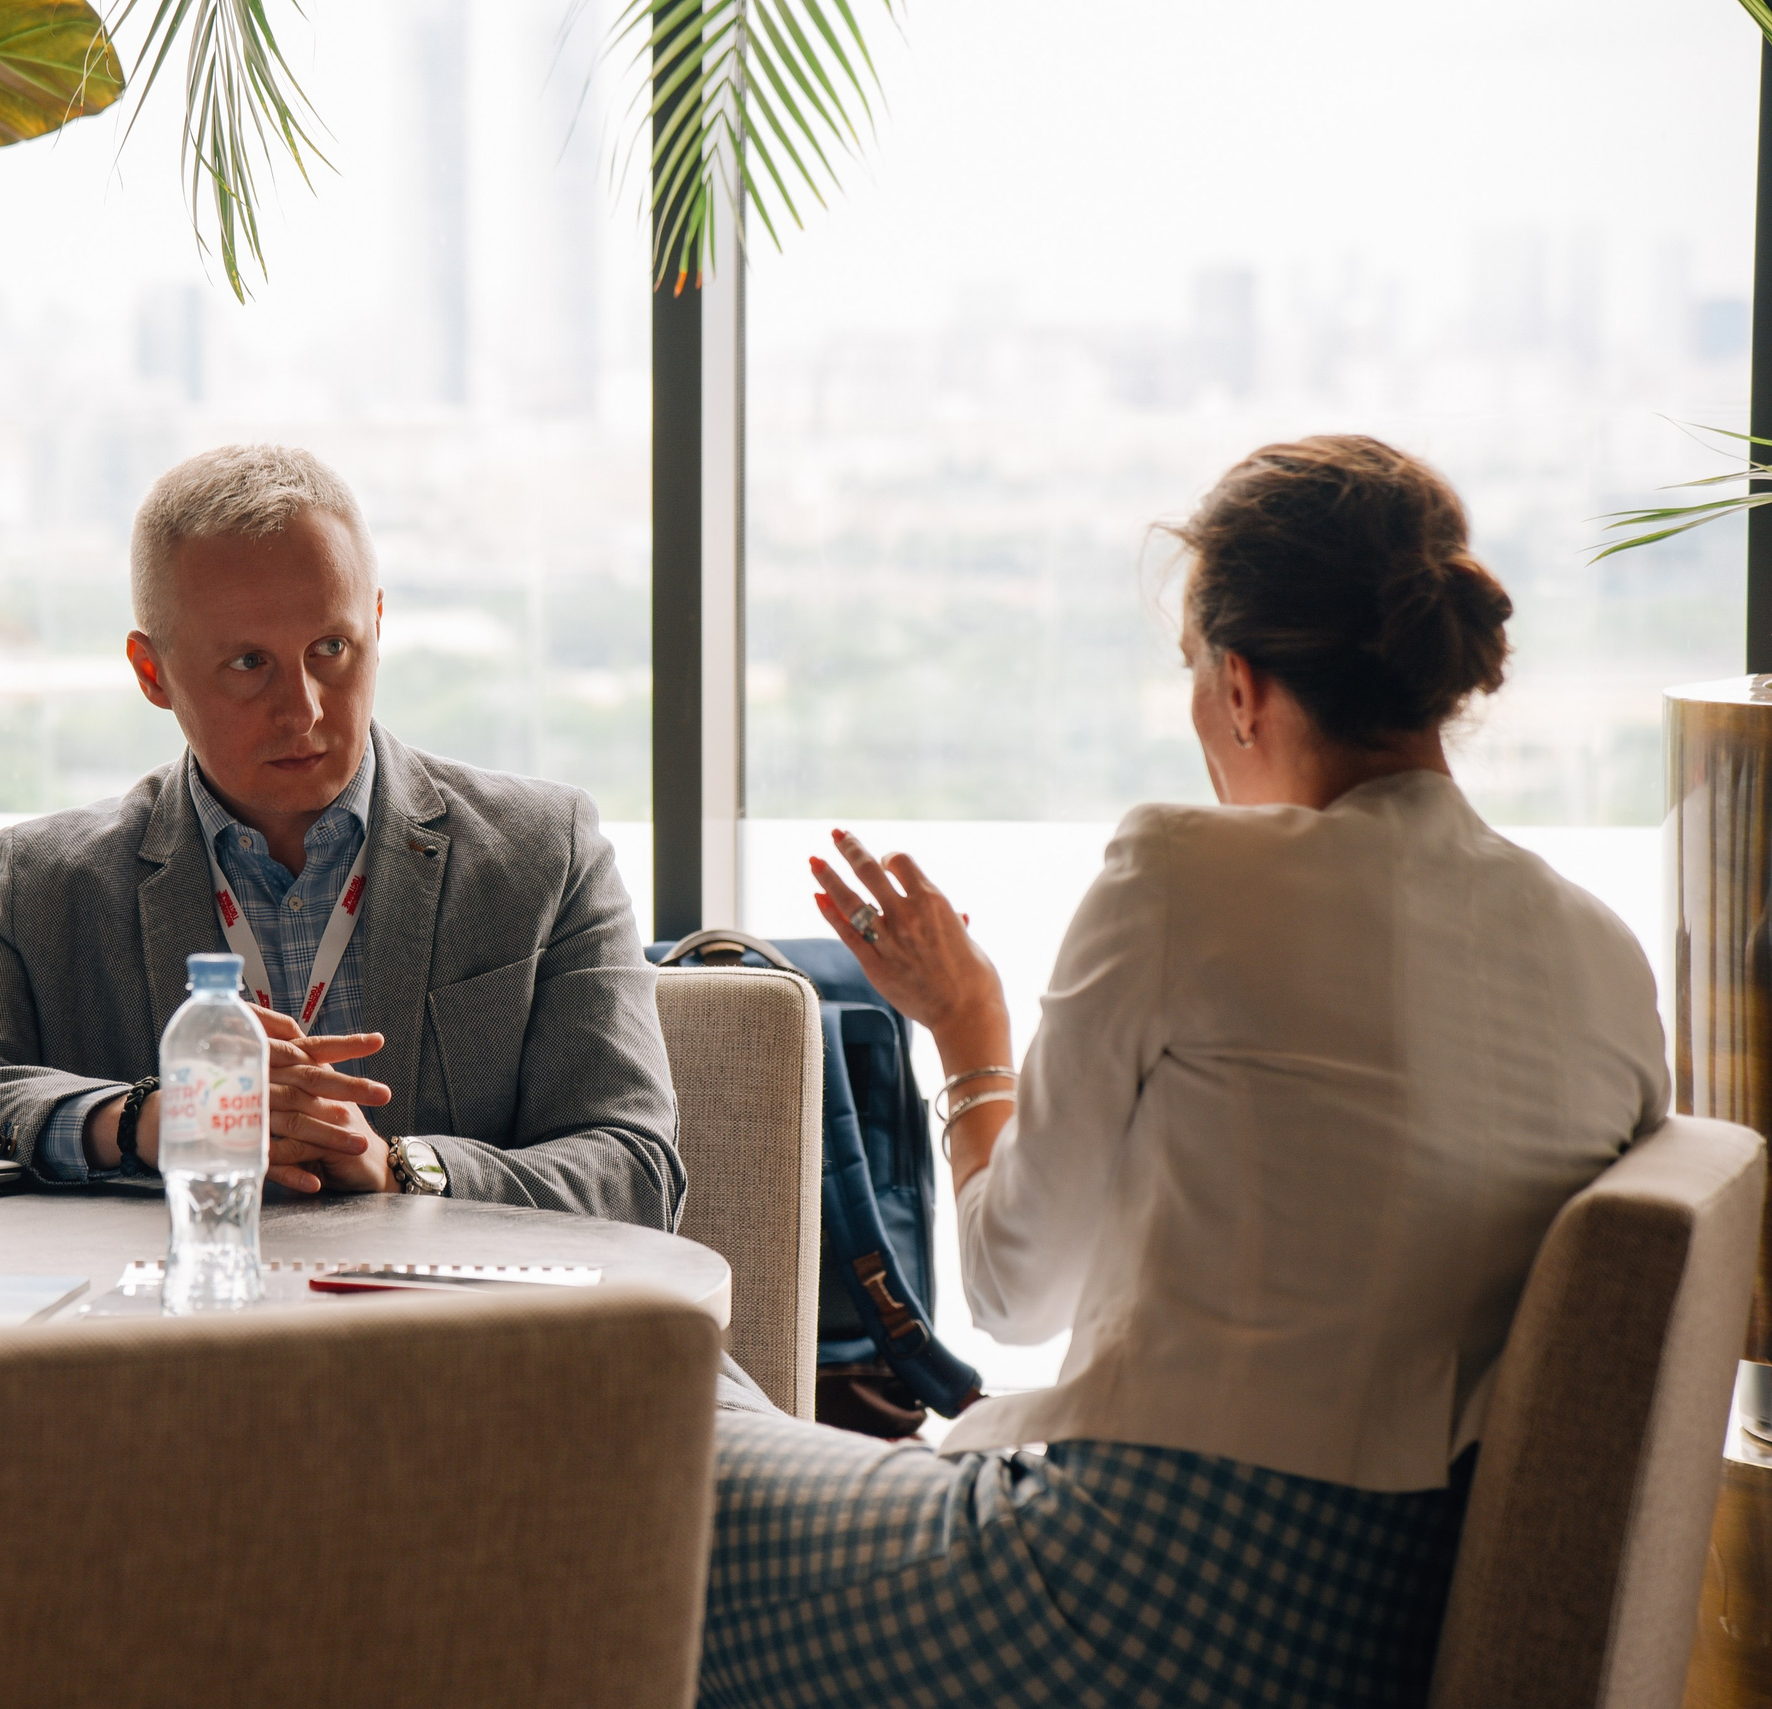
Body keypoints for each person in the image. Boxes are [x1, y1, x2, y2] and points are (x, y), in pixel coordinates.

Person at [698, 435, 1668, 1707]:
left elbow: (1013, 1287)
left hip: (1137, 1588)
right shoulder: (1604, 955)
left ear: (1242, 684)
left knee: (644, 1429)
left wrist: (970, 1026)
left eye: (1190, 675)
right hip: (1384, 1622)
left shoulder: (1182, 871)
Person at [0, 444, 681, 1229]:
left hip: (487, 1352)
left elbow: (639, 1170)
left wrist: (403, 1167)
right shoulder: (53, 882)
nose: (306, 710)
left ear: (378, 624)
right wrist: (137, 1116)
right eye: (250, 664)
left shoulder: (544, 851)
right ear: (152, 673)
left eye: (331, 648)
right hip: (177, 1351)